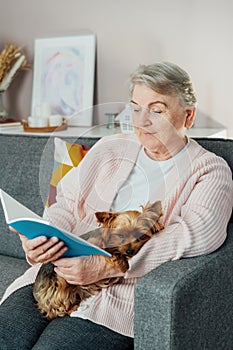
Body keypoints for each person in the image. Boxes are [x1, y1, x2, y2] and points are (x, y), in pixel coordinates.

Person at [0, 62, 232, 350]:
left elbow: (196, 234)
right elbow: (67, 201)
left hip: (118, 300)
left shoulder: (208, 169)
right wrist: (47, 239)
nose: (142, 121)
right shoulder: (110, 147)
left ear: (189, 115)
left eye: (156, 110)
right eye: (136, 108)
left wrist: (105, 265)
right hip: (54, 278)